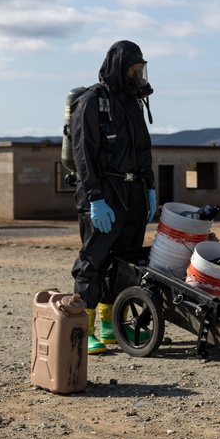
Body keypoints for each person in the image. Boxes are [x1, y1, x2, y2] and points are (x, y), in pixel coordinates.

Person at [70, 40, 157, 354]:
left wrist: (149, 188)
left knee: (125, 261)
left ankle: (110, 322)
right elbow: (83, 154)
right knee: (94, 259)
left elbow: (144, 150)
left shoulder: (133, 102)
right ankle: (83, 325)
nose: (139, 74)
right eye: (134, 68)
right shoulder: (92, 101)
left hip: (133, 191)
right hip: (104, 191)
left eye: (140, 68)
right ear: (121, 68)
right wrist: (94, 197)